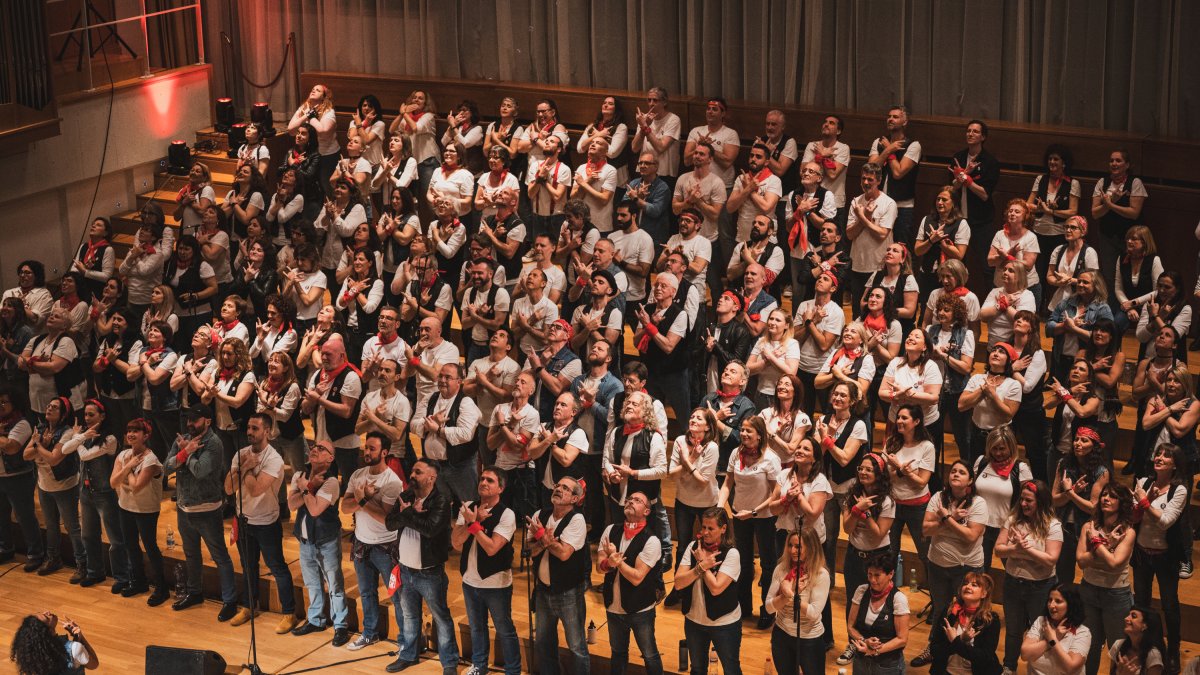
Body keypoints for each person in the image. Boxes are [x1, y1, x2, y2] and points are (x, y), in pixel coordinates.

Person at [223, 413, 297, 632]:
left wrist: (243, 469)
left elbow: (256, 490)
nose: (249, 432)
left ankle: (289, 612)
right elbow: (228, 488)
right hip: (243, 520)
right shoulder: (241, 454)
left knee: (277, 567)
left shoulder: (274, 459)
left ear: (267, 432)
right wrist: (245, 466)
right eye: (248, 427)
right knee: (248, 567)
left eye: (255, 428)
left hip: (266, 522)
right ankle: (249, 606)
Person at [163, 403, 238, 619]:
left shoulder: (214, 443)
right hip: (184, 508)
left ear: (208, 421)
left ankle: (230, 600)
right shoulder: (184, 439)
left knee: (219, 556)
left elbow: (200, 470)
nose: (190, 424)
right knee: (191, 554)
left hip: (207, 509)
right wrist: (185, 451)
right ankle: (195, 592)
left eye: (195, 420)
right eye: (188, 419)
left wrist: (186, 454)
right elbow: (166, 468)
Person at [384, 459, 458, 673]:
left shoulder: (440, 501)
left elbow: (430, 529)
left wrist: (408, 514)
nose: (412, 475)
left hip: (429, 573)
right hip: (405, 569)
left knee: (441, 618)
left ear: (431, 478)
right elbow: (389, 523)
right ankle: (409, 655)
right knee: (409, 616)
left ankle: (449, 662)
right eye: (412, 471)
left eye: (418, 472)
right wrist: (411, 514)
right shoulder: (406, 495)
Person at [912, 459, 987, 669]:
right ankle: (934, 649)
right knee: (940, 609)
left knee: (968, 611)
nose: (955, 474)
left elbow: (970, 536)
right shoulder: (938, 497)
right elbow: (926, 530)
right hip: (938, 565)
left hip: (967, 569)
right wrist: (951, 517)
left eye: (961, 472)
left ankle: (968, 653)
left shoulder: (978, 503)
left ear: (970, 480)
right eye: (953, 471)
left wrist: (945, 520)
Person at [451, 467, 521, 675]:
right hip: (469, 580)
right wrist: (473, 521)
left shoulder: (507, 514)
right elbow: (456, 542)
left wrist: (474, 524)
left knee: (504, 630)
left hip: (495, 583)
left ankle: (513, 670)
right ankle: (479, 666)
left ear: (501, 488)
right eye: (482, 478)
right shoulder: (468, 507)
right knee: (476, 628)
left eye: (490, 480)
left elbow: (491, 548)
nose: (483, 482)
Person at [341, 431, 405, 651]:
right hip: (361, 542)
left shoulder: (392, 482)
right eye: (366, 447)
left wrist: (362, 499)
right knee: (366, 592)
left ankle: (405, 640)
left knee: (396, 595)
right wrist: (363, 499)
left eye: (372, 448)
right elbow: (344, 507)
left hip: (386, 547)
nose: (366, 452)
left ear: (384, 452)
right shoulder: (358, 474)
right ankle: (370, 633)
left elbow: (385, 518)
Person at [995, 479, 1063, 674]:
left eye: (1029, 500)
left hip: (1040, 587)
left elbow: (1051, 560)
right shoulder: (1013, 520)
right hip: (1013, 583)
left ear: (1040, 502)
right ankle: (1009, 667)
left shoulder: (1053, 525)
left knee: (1040, 631)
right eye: (1022, 499)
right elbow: (998, 550)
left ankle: (1038, 670)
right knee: (1013, 630)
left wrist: (1026, 550)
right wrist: (1014, 548)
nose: (1023, 504)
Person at [287, 441, 350, 645]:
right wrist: (310, 487)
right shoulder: (300, 475)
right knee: (312, 583)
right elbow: (292, 504)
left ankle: (340, 625)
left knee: (334, 585)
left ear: (330, 458)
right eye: (314, 446)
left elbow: (314, 510)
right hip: (305, 541)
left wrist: (306, 489)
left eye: (322, 448)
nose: (315, 449)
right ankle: (316, 620)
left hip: (326, 541)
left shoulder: (332, 482)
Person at [1132, 443, 1188, 671]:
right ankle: (1145, 646)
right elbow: (1133, 518)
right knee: (1141, 603)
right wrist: (1143, 501)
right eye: (1158, 454)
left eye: (1166, 456)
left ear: (1175, 464)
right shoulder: (1143, 483)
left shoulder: (1179, 490)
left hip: (1166, 557)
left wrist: (1145, 501)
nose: (1160, 458)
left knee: (1169, 605)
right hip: (1141, 554)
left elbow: (1165, 522)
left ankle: (1173, 650)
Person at [528, 475, 591, 675]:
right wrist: (544, 541)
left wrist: (541, 538)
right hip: (543, 590)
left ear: (575, 499)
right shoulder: (540, 514)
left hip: (568, 593)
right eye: (557, 485)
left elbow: (564, 554)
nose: (558, 489)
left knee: (577, 647)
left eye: (565, 488)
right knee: (543, 643)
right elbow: (530, 551)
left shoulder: (577, 519)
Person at [597, 490, 665, 675]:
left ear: (647, 511)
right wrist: (608, 563)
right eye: (629, 499)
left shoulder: (652, 540)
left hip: (640, 609)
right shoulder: (611, 530)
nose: (630, 502)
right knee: (617, 653)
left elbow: (636, 577)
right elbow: (599, 567)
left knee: (649, 654)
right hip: (613, 606)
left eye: (637, 500)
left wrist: (616, 561)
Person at [64, 399, 127, 590]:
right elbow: (65, 449)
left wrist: (78, 437)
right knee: (88, 536)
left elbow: (85, 455)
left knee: (115, 539)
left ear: (103, 416)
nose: (87, 418)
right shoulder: (85, 435)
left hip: (104, 494)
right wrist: (80, 437)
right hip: (86, 493)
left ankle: (122, 577)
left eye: (91, 414)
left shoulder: (110, 439)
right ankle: (95, 572)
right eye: (85, 414)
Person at [675, 507, 743, 675]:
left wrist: (702, 565)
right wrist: (701, 567)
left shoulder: (732, 554)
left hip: (724, 624)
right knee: (697, 669)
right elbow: (678, 583)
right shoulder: (693, 547)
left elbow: (716, 588)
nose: (705, 532)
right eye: (703, 527)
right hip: (694, 621)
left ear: (723, 528)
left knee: (731, 669)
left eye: (710, 528)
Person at [1078, 483, 1136, 675]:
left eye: (1113, 496)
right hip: (1088, 590)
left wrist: (1095, 543)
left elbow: (1114, 564)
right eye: (1104, 495)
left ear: (1122, 503)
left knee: (1117, 648)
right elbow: (1081, 562)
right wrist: (1107, 547)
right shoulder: (1088, 527)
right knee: (1089, 644)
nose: (1106, 499)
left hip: (1116, 595)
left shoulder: (1128, 532)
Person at [109, 418, 167, 605]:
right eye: (129, 430)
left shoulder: (151, 460)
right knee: (130, 545)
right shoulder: (123, 455)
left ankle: (162, 588)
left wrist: (127, 472)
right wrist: (128, 467)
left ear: (146, 436)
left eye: (136, 431)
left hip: (146, 510)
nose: (131, 434)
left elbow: (136, 487)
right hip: (125, 507)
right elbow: (113, 483)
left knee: (150, 547)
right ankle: (139, 582)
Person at [24, 397, 81, 579]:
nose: (49, 408)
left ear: (63, 414)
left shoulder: (67, 433)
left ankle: (83, 564)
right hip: (44, 485)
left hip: (65, 486)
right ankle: (53, 559)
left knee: (72, 527)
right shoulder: (40, 428)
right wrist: (44, 446)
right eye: (48, 405)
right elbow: (25, 455)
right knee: (51, 525)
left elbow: (54, 459)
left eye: (55, 407)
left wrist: (39, 445)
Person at [764, 528, 830, 675]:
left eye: (798, 547)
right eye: (790, 545)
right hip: (782, 635)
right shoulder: (781, 569)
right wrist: (785, 596)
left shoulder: (821, 575)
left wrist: (791, 595)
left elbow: (813, 613)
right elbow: (768, 607)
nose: (792, 550)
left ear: (811, 548)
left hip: (809, 639)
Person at [1052, 424, 1111, 585]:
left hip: (1087, 527)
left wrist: (1070, 492)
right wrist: (1072, 491)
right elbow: (1054, 499)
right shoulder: (1064, 464)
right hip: (1064, 525)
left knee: (1090, 573)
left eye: (1084, 440)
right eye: (1076, 439)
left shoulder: (1101, 472)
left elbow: (1093, 508)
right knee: (1062, 574)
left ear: (1094, 446)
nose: (1078, 443)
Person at [302, 335, 363, 485]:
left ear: (341, 356)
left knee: (350, 486)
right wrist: (313, 397)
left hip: (344, 443)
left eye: (328, 354)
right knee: (325, 486)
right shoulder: (317, 375)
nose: (323, 357)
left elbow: (346, 411)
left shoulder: (351, 377)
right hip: (322, 440)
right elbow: (305, 408)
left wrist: (319, 399)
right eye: (322, 353)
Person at [841, 550, 909, 672]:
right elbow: (850, 627)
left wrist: (874, 651)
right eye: (869, 574)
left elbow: (902, 639)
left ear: (891, 574)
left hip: (887, 665)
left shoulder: (898, 599)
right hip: (861, 660)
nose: (872, 580)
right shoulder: (861, 591)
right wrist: (864, 641)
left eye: (877, 575)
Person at [958, 344, 1023, 466]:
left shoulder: (1013, 384)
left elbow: (1007, 416)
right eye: (994, 351)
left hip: (1000, 438)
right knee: (975, 469)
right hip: (976, 434)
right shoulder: (977, 378)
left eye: (1001, 352)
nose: (996, 353)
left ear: (1009, 361)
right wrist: (982, 390)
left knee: (999, 470)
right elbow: (961, 405)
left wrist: (993, 395)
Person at [1091, 149, 1148, 285]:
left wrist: (1110, 204)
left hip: (1130, 239)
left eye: (1118, 160)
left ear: (1127, 165)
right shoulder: (1102, 182)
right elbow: (1095, 213)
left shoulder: (1135, 182)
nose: (1114, 163)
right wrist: (1112, 202)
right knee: (1109, 277)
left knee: (1130, 276)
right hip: (1107, 237)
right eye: (1111, 161)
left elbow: (1134, 213)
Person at [928, 572, 1003, 675]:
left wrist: (956, 641)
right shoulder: (949, 612)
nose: (967, 586)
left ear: (984, 594)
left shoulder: (991, 620)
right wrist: (961, 640)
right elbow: (934, 650)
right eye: (965, 583)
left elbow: (984, 658)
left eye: (974, 585)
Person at [869, 105, 922, 246]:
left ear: (905, 122)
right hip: (878, 203)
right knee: (877, 246)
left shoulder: (913, 145)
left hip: (902, 206)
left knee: (900, 247)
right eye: (889, 116)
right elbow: (871, 170)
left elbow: (898, 173)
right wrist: (887, 150)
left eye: (895, 117)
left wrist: (889, 150)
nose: (890, 119)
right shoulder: (878, 142)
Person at [846, 163, 897, 307]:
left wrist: (862, 217)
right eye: (863, 178)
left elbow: (882, 234)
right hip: (857, 264)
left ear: (879, 181)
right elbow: (850, 234)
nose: (866, 182)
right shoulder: (856, 202)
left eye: (870, 179)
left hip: (879, 266)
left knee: (876, 308)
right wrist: (866, 217)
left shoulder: (889, 203)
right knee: (857, 309)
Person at [1021, 582, 1091, 675]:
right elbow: (1025, 655)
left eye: (1058, 601)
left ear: (1071, 605)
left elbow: (1070, 668)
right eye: (1050, 600)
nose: (1051, 605)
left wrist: (1053, 640)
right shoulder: (1041, 621)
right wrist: (1054, 637)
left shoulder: (1082, 632)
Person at [9, 611, 99, 673]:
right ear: (48, 630)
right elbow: (94, 664)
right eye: (46, 617)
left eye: (42, 612)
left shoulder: (34, 655)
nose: (47, 612)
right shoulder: (75, 648)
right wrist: (81, 638)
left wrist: (76, 640)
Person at [632, 87, 682, 184]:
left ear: (664, 102)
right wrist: (643, 128)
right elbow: (634, 148)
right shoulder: (643, 119)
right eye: (649, 100)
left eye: (655, 100)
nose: (651, 103)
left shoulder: (673, 120)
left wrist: (645, 126)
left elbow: (661, 147)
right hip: (644, 169)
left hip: (664, 172)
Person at [1110, 606, 1167, 675]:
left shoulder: (1153, 655)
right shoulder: (1118, 645)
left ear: (1145, 625)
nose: (1126, 618)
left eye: (1133, 616)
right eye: (1128, 615)